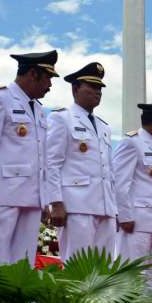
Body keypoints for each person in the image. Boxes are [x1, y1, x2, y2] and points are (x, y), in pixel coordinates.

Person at [0, 50, 59, 265]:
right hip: (3, 195)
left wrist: (44, 199)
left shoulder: (39, 110)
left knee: (24, 261)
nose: (50, 85)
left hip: (31, 197)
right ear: (32, 74)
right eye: (48, 78)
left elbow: (43, 157)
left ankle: (17, 301)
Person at [46, 62, 116, 262]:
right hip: (76, 206)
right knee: (76, 267)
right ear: (76, 88)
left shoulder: (104, 127)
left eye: (100, 88)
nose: (97, 92)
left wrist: (115, 210)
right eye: (92, 87)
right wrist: (56, 202)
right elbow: (52, 163)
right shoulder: (62, 118)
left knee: (103, 272)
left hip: (105, 208)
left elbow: (109, 172)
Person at [113, 100, 152, 293]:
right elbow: (119, 181)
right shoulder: (132, 142)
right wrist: (124, 215)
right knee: (131, 275)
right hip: (138, 222)